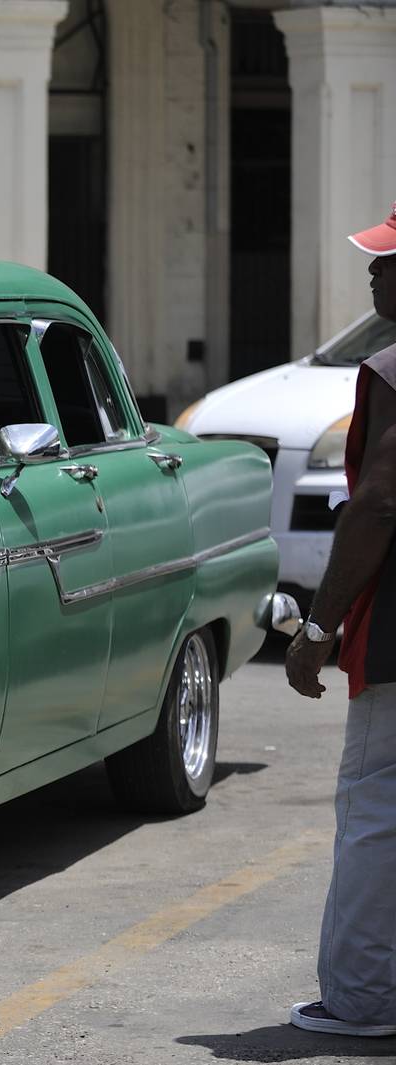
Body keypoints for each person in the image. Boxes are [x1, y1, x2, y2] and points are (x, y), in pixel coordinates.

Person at [286, 202, 396, 1038]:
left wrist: (318, 629)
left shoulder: (391, 370)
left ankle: (361, 1000)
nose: (372, 274)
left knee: (374, 808)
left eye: (385, 262)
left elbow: (379, 503)